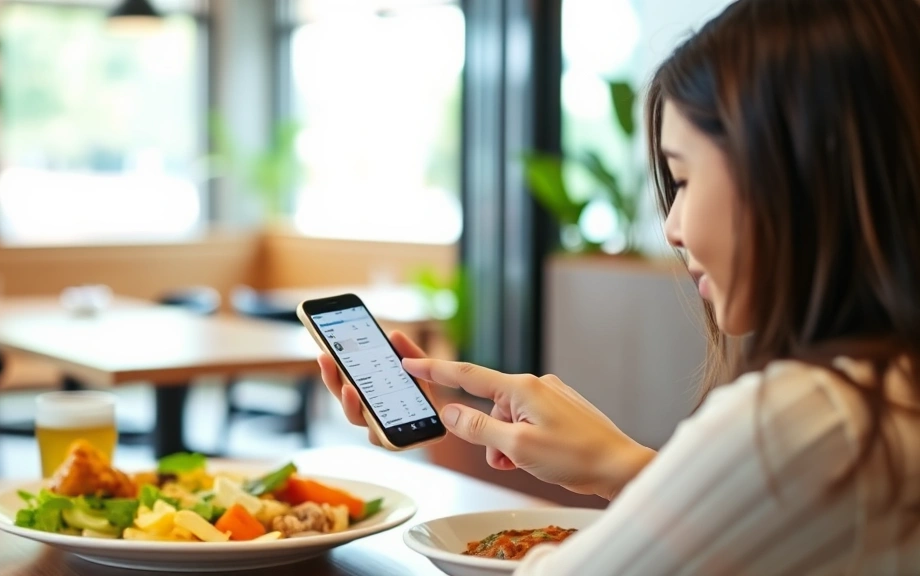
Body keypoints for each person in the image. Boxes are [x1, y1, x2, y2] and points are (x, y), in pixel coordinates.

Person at [317, 0, 920, 573]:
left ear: (792, 174)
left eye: (682, 177)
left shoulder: (811, 418)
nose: (672, 226)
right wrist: (624, 465)